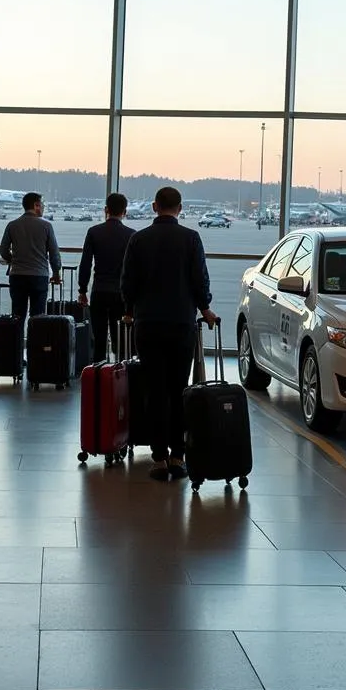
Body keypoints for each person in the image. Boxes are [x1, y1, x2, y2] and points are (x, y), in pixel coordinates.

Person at [121, 186, 217, 481]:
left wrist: (129, 310)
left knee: (154, 390)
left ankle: (159, 458)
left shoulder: (138, 239)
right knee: (179, 390)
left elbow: (128, 282)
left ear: (154, 207)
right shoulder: (191, 239)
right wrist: (205, 309)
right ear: (180, 208)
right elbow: (199, 278)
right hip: (180, 325)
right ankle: (178, 456)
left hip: (148, 325)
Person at [78, 192, 135, 363]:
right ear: (124, 212)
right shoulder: (132, 235)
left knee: (99, 338)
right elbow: (134, 269)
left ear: (106, 210)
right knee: (121, 339)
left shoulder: (94, 232)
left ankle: (98, 374)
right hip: (121, 294)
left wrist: (82, 289)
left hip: (99, 291)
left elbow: (86, 263)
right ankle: (120, 375)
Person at [0, 192, 61, 326]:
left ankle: (16, 345)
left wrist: (13, 260)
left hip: (17, 276)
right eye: (42, 204)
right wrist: (56, 273)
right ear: (36, 205)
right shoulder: (46, 226)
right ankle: (35, 345)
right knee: (37, 317)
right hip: (39, 276)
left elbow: (3, 251)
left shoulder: (12, 225)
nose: (43, 207)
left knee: (17, 315)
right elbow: (54, 253)